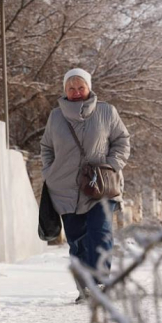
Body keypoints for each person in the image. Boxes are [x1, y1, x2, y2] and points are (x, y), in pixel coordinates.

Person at [40, 68, 131, 303]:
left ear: (89, 88)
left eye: (81, 87)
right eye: (71, 88)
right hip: (64, 188)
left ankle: (99, 282)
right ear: (64, 90)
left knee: (100, 232)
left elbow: (122, 141)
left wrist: (111, 166)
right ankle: (85, 289)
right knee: (77, 240)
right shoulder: (56, 117)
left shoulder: (106, 112)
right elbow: (46, 147)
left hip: (101, 185)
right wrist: (50, 173)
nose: (77, 92)